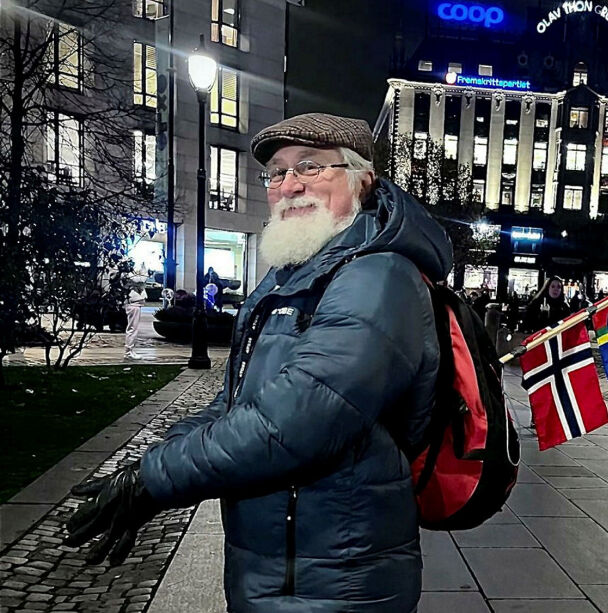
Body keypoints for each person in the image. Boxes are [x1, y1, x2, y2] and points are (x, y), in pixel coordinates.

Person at [65, 113, 453, 612]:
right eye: (277, 172)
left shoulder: (377, 276)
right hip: (276, 567)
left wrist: (154, 481)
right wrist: (150, 463)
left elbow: (292, 423)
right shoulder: (286, 278)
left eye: (310, 168)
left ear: (362, 180)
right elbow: (235, 403)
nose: (289, 185)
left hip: (338, 579)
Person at [121, 260, 148, 360]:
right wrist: (143, 270)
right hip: (133, 303)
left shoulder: (129, 275)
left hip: (135, 303)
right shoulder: (128, 275)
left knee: (133, 328)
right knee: (132, 328)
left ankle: (130, 350)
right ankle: (128, 351)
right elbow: (142, 279)